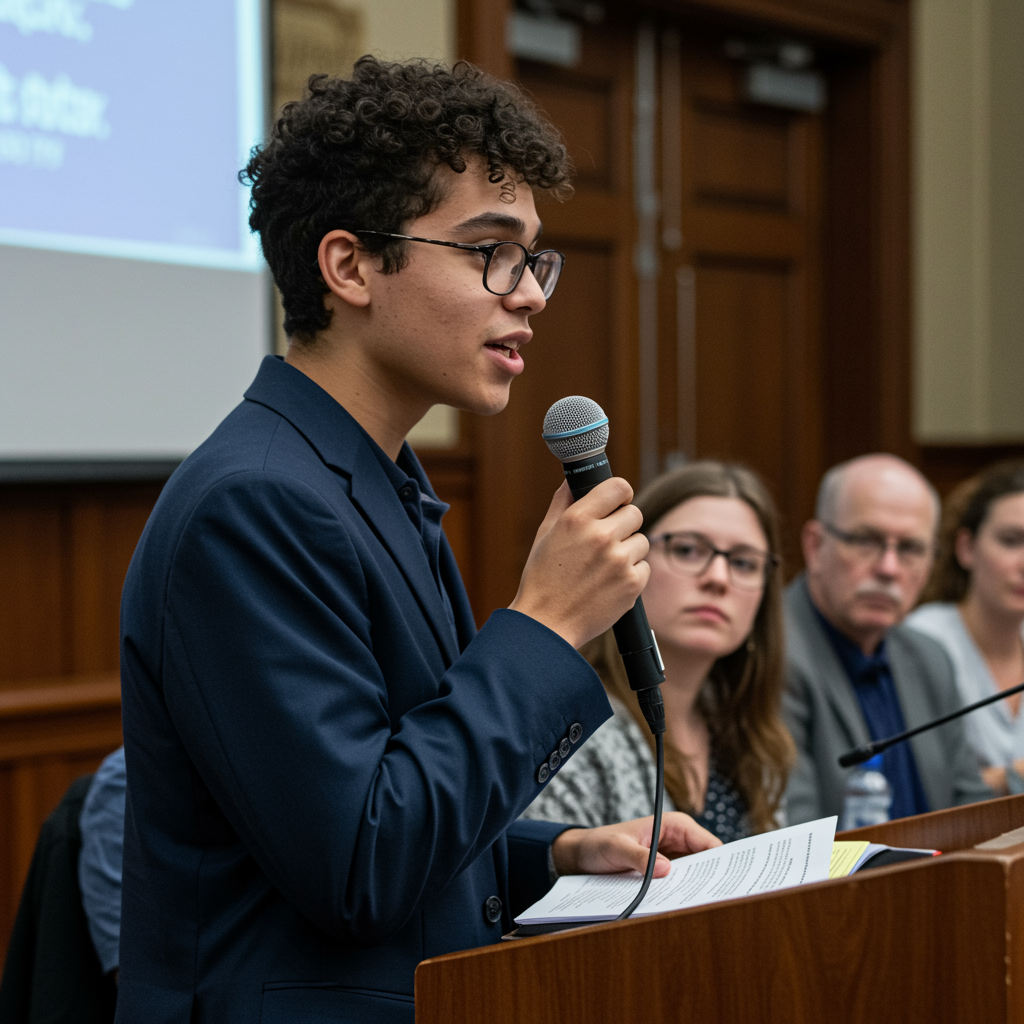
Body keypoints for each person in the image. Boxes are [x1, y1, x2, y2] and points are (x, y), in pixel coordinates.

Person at [114, 58, 718, 1024]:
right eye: (491, 252)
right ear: (350, 266)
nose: (530, 295)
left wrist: (557, 852)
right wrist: (546, 625)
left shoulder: (376, 479)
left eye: (533, 260)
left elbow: (383, 794)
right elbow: (360, 865)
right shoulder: (256, 502)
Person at [523, 461, 794, 841]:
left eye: (744, 563)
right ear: (629, 557)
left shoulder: (750, 734)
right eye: (687, 550)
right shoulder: (574, 726)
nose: (717, 578)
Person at [783, 453, 991, 824]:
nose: (889, 568)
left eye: (910, 549)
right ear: (815, 546)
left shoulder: (929, 657)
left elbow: (971, 811)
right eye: (866, 540)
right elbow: (792, 834)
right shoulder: (774, 654)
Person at [906, 461, 1024, 795]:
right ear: (966, 547)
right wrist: (1013, 776)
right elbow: (928, 789)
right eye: (1011, 541)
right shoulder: (923, 640)